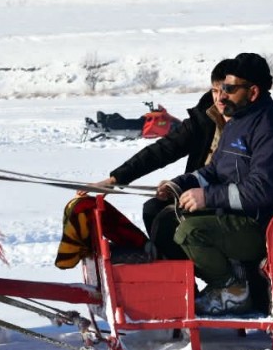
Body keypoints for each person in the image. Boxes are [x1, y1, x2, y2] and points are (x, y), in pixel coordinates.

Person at [151, 53, 273, 315]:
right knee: (164, 220)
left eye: (230, 89)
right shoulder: (239, 121)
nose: (221, 96)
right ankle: (203, 287)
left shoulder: (271, 130)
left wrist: (207, 198)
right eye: (221, 88)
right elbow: (215, 170)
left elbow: (260, 191)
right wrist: (180, 185)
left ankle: (232, 288)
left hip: (262, 227)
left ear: (253, 92)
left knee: (190, 232)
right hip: (236, 218)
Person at [91, 59, 230, 236]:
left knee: (167, 221)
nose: (219, 99)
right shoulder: (205, 117)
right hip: (197, 190)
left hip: (223, 200)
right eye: (215, 91)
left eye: (225, 91)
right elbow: (164, 148)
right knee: (153, 209)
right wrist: (116, 179)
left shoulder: (246, 125)